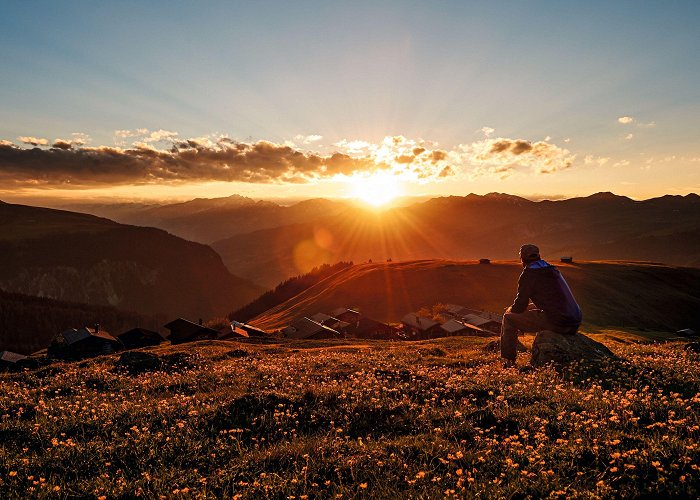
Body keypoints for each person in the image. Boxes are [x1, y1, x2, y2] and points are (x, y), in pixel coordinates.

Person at [501, 244, 582, 368]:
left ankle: (509, 361)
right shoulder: (552, 269)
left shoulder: (528, 274)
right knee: (529, 308)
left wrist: (510, 309)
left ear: (522, 258)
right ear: (539, 256)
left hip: (559, 322)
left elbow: (520, 306)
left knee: (508, 318)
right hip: (574, 320)